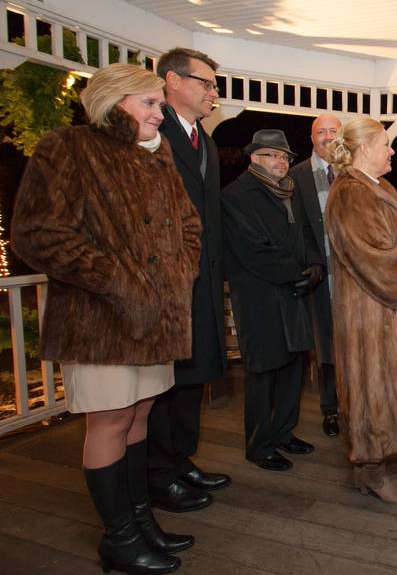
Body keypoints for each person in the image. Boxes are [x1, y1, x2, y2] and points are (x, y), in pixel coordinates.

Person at [12, 62, 201, 573]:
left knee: (138, 412)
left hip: (153, 320)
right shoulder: (68, 147)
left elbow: (189, 226)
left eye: (159, 104)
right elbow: (37, 233)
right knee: (110, 420)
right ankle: (119, 537)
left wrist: (177, 275)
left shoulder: (157, 156)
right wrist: (119, 280)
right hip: (100, 319)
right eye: (150, 102)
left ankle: (141, 522)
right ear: (115, 101)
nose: (160, 114)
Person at [325, 116, 397, 504]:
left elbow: (394, 250)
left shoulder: (377, 186)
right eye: (386, 144)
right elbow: (375, 260)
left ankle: (370, 469)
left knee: (384, 390)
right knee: (371, 393)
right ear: (364, 149)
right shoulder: (352, 194)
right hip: (369, 317)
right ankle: (372, 472)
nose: (393, 151)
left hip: (385, 311)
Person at [148, 47, 230, 513]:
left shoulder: (206, 141)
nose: (212, 94)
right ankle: (158, 475)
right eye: (206, 83)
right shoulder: (154, 136)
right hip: (169, 284)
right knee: (168, 381)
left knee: (193, 376)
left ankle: (182, 461)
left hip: (201, 280)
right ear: (173, 82)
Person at [222, 130, 324, 472]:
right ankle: (258, 444)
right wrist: (296, 273)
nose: (281, 162)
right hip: (261, 298)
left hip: (293, 293)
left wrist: (315, 267)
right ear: (254, 158)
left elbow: (307, 234)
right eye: (273, 155)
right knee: (263, 373)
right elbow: (252, 250)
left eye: (285, 157)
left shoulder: (290, 191)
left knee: (292, 367)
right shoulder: (237, 195)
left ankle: (283, 432)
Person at [289, 113, 342, 437]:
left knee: (353, 346)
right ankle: (331, 409)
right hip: (320, 279)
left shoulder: (353, 174)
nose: (326, 136)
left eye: (332, 131)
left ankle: (356, 405)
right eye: (320, 132)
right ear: (311, 139)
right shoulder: (297, 177)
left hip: (354, 280)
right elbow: (297, 230)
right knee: (326, 349)